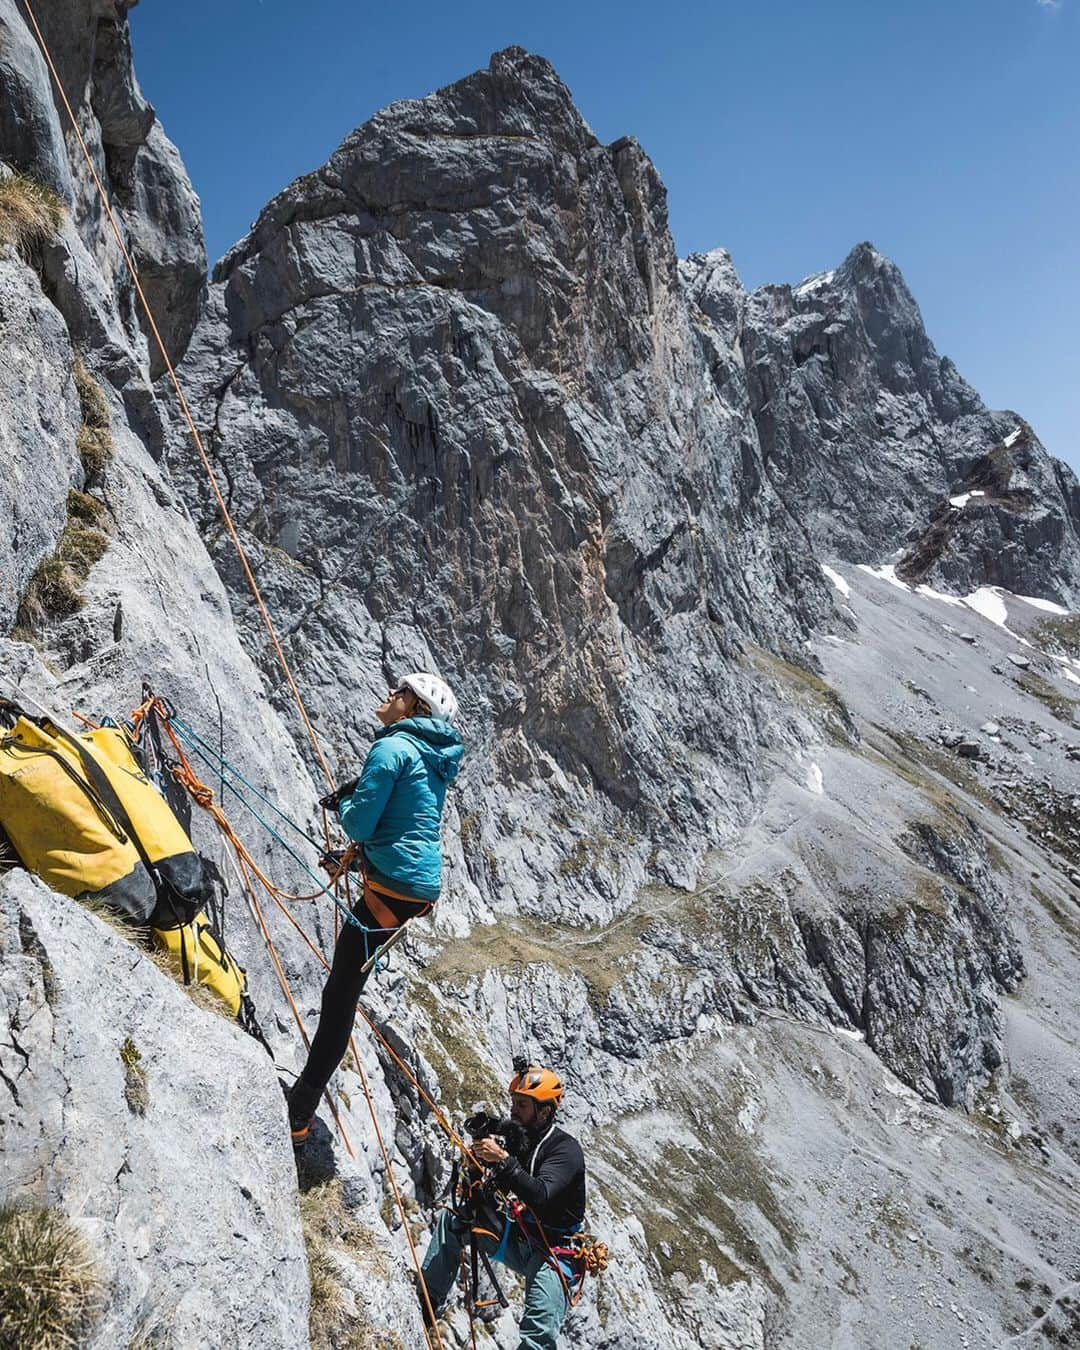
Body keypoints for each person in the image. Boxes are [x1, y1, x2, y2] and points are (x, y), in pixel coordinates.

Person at [287, 672, 463, 1144]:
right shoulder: (430, 754)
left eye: (400, 691)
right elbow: (404, 821)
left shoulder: (392, 748)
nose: (389, 694)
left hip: (393, 887)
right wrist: (356, 857)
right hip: (412, 887)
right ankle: (303, 1106)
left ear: (413, 707)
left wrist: (346, 808)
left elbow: (364, 822)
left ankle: (299, 1111)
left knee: (340, 998)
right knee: (345, 990)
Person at [418, 1064, 587, 1350]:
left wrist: (503, 1161)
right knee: (456, 1221)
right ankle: (426, 1304)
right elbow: (500, 1187)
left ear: (544, 1112)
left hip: (554, 1251)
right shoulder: (519, 1138)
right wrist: (478, 1167)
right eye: (513, 1102)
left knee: (539, 1335)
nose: (513, 1110)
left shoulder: (564, 1150)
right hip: (520, 1236)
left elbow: (541, 1194)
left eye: (522, 1105)